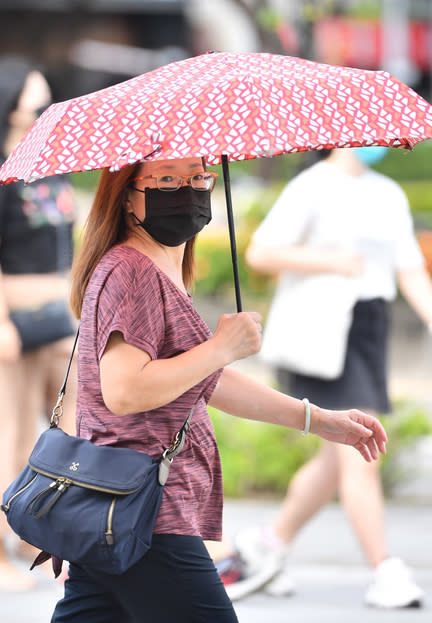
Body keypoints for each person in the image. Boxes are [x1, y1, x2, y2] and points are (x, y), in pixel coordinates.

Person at [50, 155, 388, 622]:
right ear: (128, 195)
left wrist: (319, 420)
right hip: (145, 511)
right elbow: (125, 391)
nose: (186, 190)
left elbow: (207, 382)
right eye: (166, 179)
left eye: (198, 177)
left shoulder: (158, 269)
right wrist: (220, 348)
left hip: (118, 507)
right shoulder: (130, 272)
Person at [227, 146, 432, 608]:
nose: (385, 142)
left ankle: (269, 543)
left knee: (337, 456)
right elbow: (261, 252)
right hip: (323, 333)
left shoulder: (388, 192)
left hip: (368, 326)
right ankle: (384, 569)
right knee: (360, 447)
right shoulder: (311, 185)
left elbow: (409, 265)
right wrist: (332, 261)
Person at [0, 57, 77, 590]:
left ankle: (48, 539)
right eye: (37, 103)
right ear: (8, 109)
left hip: (59, 309)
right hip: (5, 308)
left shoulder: (54, 163)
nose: (44, 112)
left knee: (76, 428)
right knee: (2, 433)